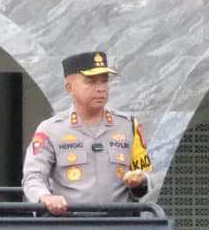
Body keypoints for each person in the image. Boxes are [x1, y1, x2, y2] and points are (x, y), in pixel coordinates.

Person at [22, 49, 152, 213]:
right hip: (72, 228)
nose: (100, 89)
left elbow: (146, 179)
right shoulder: (51, 129)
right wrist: (45, 197)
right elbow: (33, 177)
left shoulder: (128, 125)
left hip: (120, 227)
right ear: (69, 88)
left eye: (104, 81)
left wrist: (140, 182)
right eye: (91, 82)